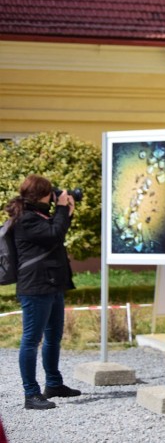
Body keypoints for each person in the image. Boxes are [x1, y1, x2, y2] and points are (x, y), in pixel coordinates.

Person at [4, 174, 81, 410]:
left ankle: (54, 384)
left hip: (52, 283)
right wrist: (60, 209)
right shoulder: (26, 219)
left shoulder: (39, 215)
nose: (54, 196)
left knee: (53, 337)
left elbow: (57, 231)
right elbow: (53, 234)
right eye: (51, 193)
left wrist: (66, 210)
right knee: (31, 340)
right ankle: (31, 394)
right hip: (36, 287)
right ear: (41, 195)